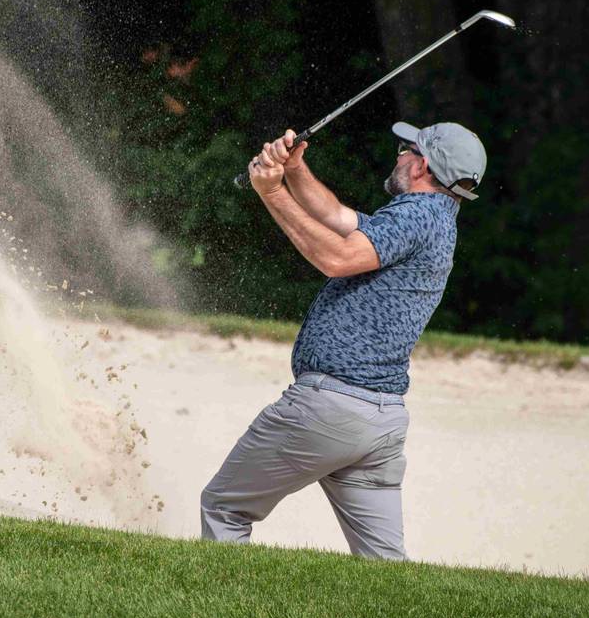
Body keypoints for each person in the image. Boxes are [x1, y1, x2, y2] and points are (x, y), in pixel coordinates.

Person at [200, 120, 487, 559]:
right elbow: (338, 219)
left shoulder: (415, 214)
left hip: (329, 410)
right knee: (383, 564)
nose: (399, 155)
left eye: (405, 149)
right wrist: (295, 170)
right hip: (381, 421)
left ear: (422, 165)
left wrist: (271, 192)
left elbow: (337, 257)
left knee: (224, 508)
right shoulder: (435, 221)